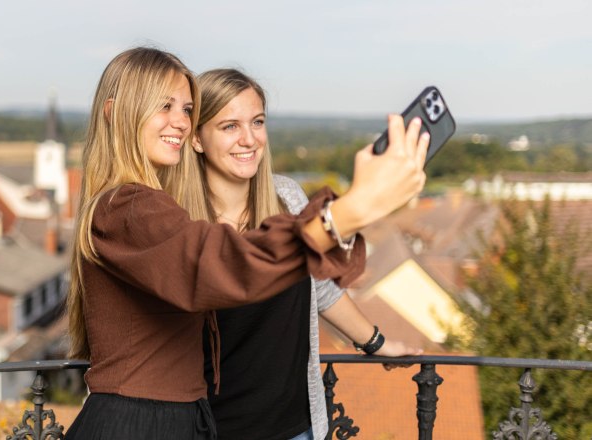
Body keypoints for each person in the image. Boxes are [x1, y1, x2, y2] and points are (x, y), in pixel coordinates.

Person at [64, 47, 429, 439]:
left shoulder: (142, 205)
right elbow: (220, 266)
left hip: (186, 420)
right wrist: (347, 212)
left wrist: (374, 340)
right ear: (113, 112)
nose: (180, 123)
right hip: (142, 423)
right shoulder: (130, 207)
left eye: (186, 109)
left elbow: (310, 287)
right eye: (163, 106)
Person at [182, 68, 423, 440]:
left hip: (298, 428)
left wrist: (376, 343)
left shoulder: (288, 198)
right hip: (212, 430)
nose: (249, 139)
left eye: (257, 122)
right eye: (230, 126)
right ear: (197, 139)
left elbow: (321, 289)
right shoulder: (181, 222)